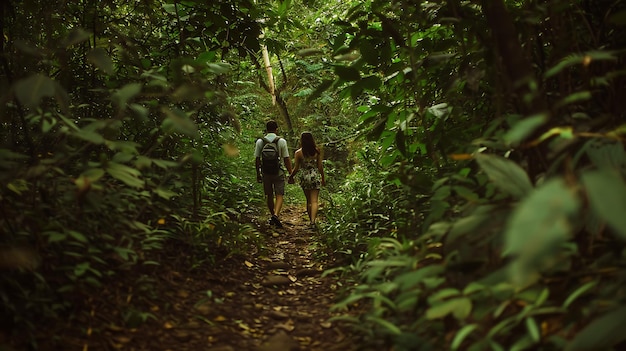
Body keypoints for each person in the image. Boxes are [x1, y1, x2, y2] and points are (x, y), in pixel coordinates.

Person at [255, 120, 292, 228]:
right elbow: (286, 159)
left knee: (269, 195)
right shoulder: (281, 141)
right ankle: (276, 215)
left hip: (265, 172)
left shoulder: (260, 142)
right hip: (278, 172)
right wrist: (291, 173)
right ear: (277, 129)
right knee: (279, 194)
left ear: (266, 129)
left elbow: (257, 159)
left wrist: (258, 173)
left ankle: (273, 215)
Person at [288, 132, 325, 226]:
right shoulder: (317, 151)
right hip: (315, 176)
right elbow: (320, 166)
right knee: (315, 201)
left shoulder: (298, 153)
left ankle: (310, 220)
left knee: (308, 201)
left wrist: (291, 176)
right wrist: (323, 178)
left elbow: (296, 168)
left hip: (304, 177)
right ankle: (313, 221)